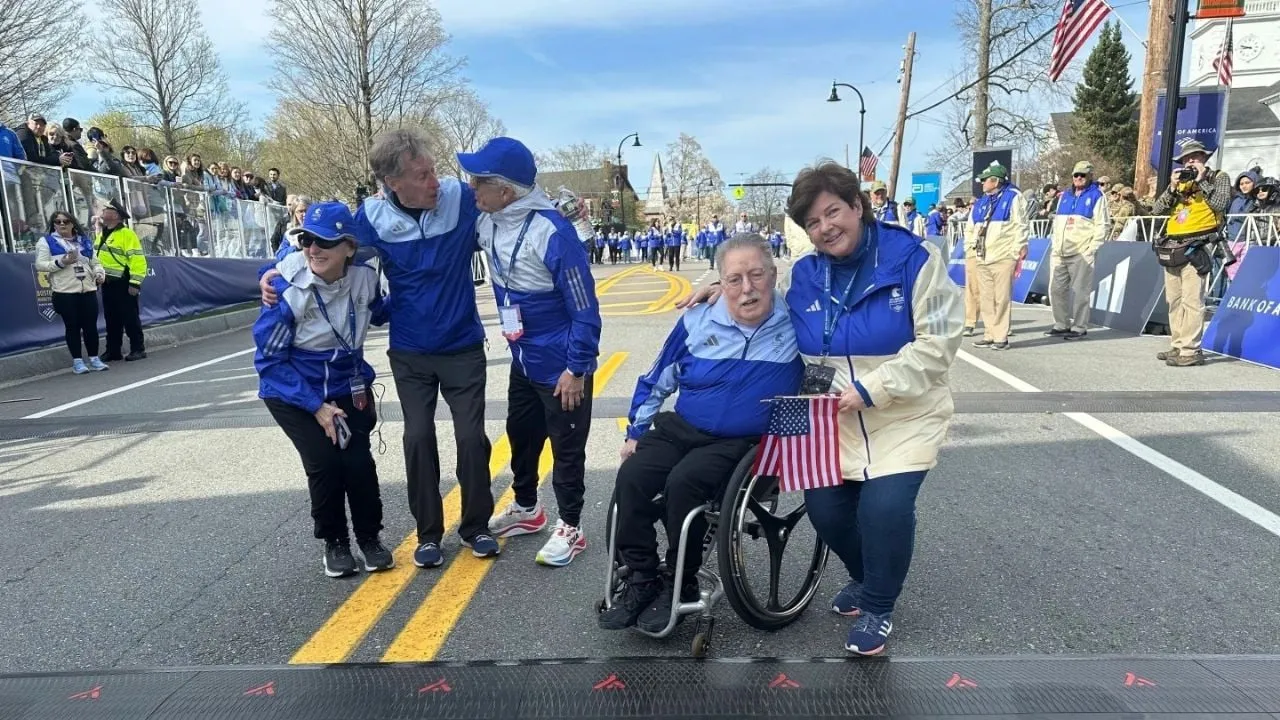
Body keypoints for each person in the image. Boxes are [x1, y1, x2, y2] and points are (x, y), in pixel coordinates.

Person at [679, 161, 964, 655]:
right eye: (813, 222)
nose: (826, 227)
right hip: (832, 417)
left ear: (858, 206)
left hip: (903, 412)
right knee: (826, 510)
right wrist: (715, 286)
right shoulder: (807, 273)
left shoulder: (912, 259)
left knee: (885, 508)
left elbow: (939, 343)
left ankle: (878, 604)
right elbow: (760, 286)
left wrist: (873, 387)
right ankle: (863, 575)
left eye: (834, 212)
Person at [261, 127, 497, 566]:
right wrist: (271, 271)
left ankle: (476, 526)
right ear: (393, 183)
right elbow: (321, 245)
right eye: (422, 175)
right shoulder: (370, 217)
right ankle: (428, 534)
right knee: (418, 436)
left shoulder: (460, 200)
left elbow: (507, 207)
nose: (435, 181)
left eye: (433, 170)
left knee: (470, 436)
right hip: (410, 350)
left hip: (462, 344)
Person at [600, 234, 802, 633]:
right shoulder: (697, 319)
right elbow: (656, 378)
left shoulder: (798, 322)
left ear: (774, 275)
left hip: (743, 442)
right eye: (734, 279)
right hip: (684, 427)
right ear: (720, 283)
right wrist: (635, 432)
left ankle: (681, 577)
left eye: (757, 275)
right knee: (633, 475)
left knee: (684, 483)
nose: (747, 288)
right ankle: (642, 578)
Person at [457, 137, 603, 566]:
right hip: (523, 360)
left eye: (479, 180)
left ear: (505, 191)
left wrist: (577, 368)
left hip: (562, 368)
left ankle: (572, 527)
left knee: (567, 449)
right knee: (522, 438)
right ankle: (528, 509)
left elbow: (586, 309)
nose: (471, 188)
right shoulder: (489, 220)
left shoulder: (553, 233)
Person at [255, 201, 394, 578]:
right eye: (307, 241)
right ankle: (335, 542)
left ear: (349, 246)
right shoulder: (285, 288)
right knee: (326, 464)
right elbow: (269, 363)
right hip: (292, 391)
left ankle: (370, 538)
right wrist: (316, 406)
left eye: (324, 242)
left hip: (350, 383)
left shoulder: (365, 276)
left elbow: (383, 311)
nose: (313, 249)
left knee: (358, 463)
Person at [1148, 140, 1231, 367]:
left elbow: (1220, 203)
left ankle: (1191, 349)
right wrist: (1173, 187)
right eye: (1185, 159)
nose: (1190, 162)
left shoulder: (1218, 177)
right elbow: (1157, 209)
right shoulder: (1181, 182)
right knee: (1174, 300)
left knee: (1193, 300)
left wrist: (1201, 180)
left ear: (1204, 158)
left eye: (1194, 157)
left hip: (1198, 244)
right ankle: (1177, 344)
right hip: (1173, 246)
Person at [34, 211, 109, 374]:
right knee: (72, 327)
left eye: (65, 221)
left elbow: (95, 262)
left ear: (72, 223)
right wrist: (62, 262)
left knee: (90, 327)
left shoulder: (84, 241)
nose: (62, 224)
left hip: (88, 289)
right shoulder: (46, 241)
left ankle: (94, 358)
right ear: (53, 224)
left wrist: (99, 273)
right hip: (65, 292)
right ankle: (78, 362)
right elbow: (40, 265)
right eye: (57, 221)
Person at [966, 162, 1028, 350]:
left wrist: (1017, 249)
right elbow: (971, 226)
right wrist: (970, 246)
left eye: (985, 180)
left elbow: (1021, 225)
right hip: (982, 256)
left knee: (1001, 297)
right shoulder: (982, 201)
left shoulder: (1013, 197)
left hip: (1003, 255)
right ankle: (989, 333)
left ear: (996, 181)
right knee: (986, 297)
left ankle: (1001, 336)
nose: (982, 183)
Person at [1046, 161, 1109, 340]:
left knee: (1081, 291)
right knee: (1056, 289)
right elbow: (1057, 221)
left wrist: (1092, 248)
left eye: (1082, 175)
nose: (1079, 178)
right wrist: (1054, 242)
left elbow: (1102, 224)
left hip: (1081, 251)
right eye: (1076, 175)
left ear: (1090, 176)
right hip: (1060, 250)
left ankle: (1079, 326)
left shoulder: (1097, 195)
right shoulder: (1065, 195)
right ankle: (1061, 323)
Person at [96, 199, 148, 362]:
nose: (103, 211)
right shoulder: (102, 233)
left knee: (130, 317)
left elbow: (137, 260)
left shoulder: (127, 234)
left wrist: (135, 283)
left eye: (108, 209)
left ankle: (138, 349)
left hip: (124, 282)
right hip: (107, 283)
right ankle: (113, 350)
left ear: (116, 215)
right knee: (111, 319)